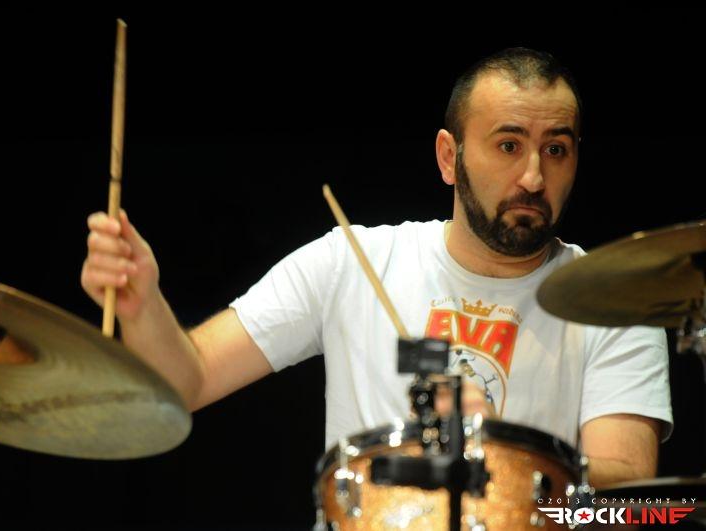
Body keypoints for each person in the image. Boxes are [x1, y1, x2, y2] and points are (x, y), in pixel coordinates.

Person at [80, 48, 672, 488]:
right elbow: (188, 381)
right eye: (509, 145)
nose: (534, 177)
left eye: (556, 149)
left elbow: (627, 507)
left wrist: (507, 456)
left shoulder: (617, 301)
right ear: (449, 157)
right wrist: (142, 301)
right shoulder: (352, 262)